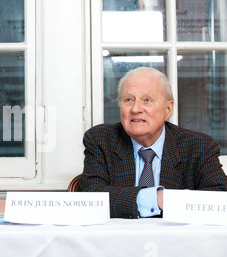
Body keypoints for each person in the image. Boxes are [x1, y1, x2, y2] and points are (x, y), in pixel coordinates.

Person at [75, 67, 227, 218]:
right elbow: (92, 197)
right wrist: (157, 198)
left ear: (168, 109)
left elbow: (220, 197)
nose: (135, 109)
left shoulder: (199, 146)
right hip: (119, 239)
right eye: (129, 100)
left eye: (147, 100)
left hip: (177, 240)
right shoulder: (101, 139)